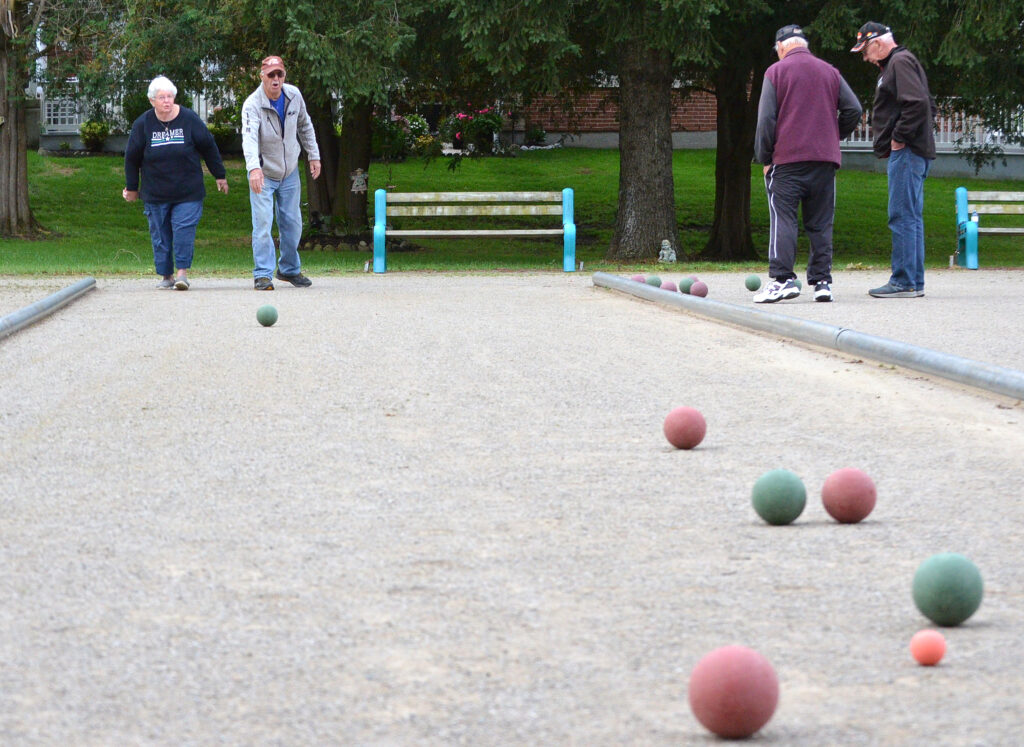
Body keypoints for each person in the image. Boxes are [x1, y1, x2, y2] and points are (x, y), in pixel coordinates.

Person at [753, 25, 862, 303]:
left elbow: (766, 120)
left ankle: (782, 279)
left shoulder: (775, 72)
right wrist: (832, 136)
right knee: (821, 223)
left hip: (787, 161)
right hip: (824, 161)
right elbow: (854, 110)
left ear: (781, 47)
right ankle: (822, 282)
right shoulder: (830, 71)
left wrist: (765, 157)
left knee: (784, 218)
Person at [851, 22, 936, 298]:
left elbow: (918, 104)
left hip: (908, 152)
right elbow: (928, 103)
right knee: (910, 216)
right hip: (912, 150)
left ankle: (903, 281)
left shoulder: (899, 62)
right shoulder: (901, 63)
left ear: (877, 43)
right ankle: (913, 281)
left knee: (901, 216)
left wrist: (899, 138)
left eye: (865, 50)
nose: (865, 57)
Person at [124, 76, 228, 290]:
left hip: (187, 191)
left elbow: (208, 146)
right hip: (155, 192)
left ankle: (182, 273)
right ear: (152, 101)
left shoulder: (188, 119)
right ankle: (166, 275)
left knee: (183, 230)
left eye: (170, 96)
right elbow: (131, 158)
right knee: (160, 236)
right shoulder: (143, 124)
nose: (166, 101)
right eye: (161, 97)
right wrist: (132, 188)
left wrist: (219, 175)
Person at [241, 55, 321, 290]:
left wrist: (313, 155)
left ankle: (288, 269)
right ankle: (263, 274)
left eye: (280, 74)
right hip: (263, 173)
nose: (276, 79)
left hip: (289, 172)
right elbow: (249, 137)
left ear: (284, 76)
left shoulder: (294, 95)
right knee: (263, 223)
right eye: (271, 75)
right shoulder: (252, 104)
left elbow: (305, 125)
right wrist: (253, 168)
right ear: (262, 77)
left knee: (293, 223)